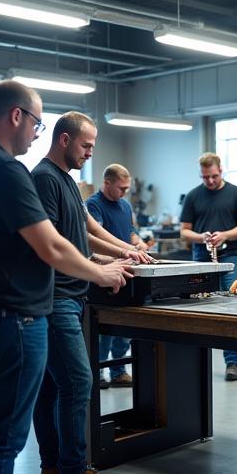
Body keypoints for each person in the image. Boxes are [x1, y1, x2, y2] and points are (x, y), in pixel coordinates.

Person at [0, 80, 131, 474]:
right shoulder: (4, 169)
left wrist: (116, 251)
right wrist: (101, 272)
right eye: (36, 123)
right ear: (15, 116)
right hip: (12, 318)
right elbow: (53, 246)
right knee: (4, 438)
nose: (35, 133)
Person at [31, 112, 151, 474]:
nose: (89, 153)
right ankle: (73, 469)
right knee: (79, 382)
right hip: (56, 299)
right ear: (64, 139)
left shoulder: (65, 179)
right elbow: (52, 241)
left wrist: (128, 250)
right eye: (86, 146)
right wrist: (97, 268)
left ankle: (52, 466)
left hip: (69, 295)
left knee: (52, 388)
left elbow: (86, 229)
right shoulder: (44, 179)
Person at [180, 152, 237, 380]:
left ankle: (232, 362)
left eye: (213, 176)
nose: (209, 181)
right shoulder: (193, 196)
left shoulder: (235, 193)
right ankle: (197, 361)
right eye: (205, 177)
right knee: (198, 309)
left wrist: (226, 235)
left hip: (229, 257)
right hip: (201, 259)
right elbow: (184, 231)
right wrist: (201, 237)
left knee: (231, 308)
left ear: (221, 170)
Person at [86, 164, 147, 389]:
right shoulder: (93, 205)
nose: (124, 193)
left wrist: (139, 244)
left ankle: (118, 371)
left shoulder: (125, 204)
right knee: (106, 329)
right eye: (121, 188)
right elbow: (94, 238)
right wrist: (110, 261)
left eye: (127, 188)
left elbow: (130, 232)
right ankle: (100, 371)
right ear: (107, 183)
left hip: (127, 270)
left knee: (125, 325)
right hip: (105, 271)